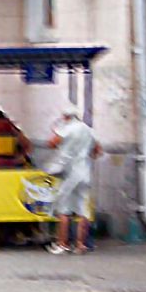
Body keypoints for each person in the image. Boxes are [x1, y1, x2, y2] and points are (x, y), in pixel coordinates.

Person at [45, 104, 102, 255]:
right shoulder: (87, 129)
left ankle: (62, 244)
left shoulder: (66, 127)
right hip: (84, 172)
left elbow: (51, 143)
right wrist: (87, 157)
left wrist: (54, 129)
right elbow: (97, 150)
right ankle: (80, 244)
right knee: (82, 209)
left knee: (63, 209)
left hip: (69, 173)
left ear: (66, 116)